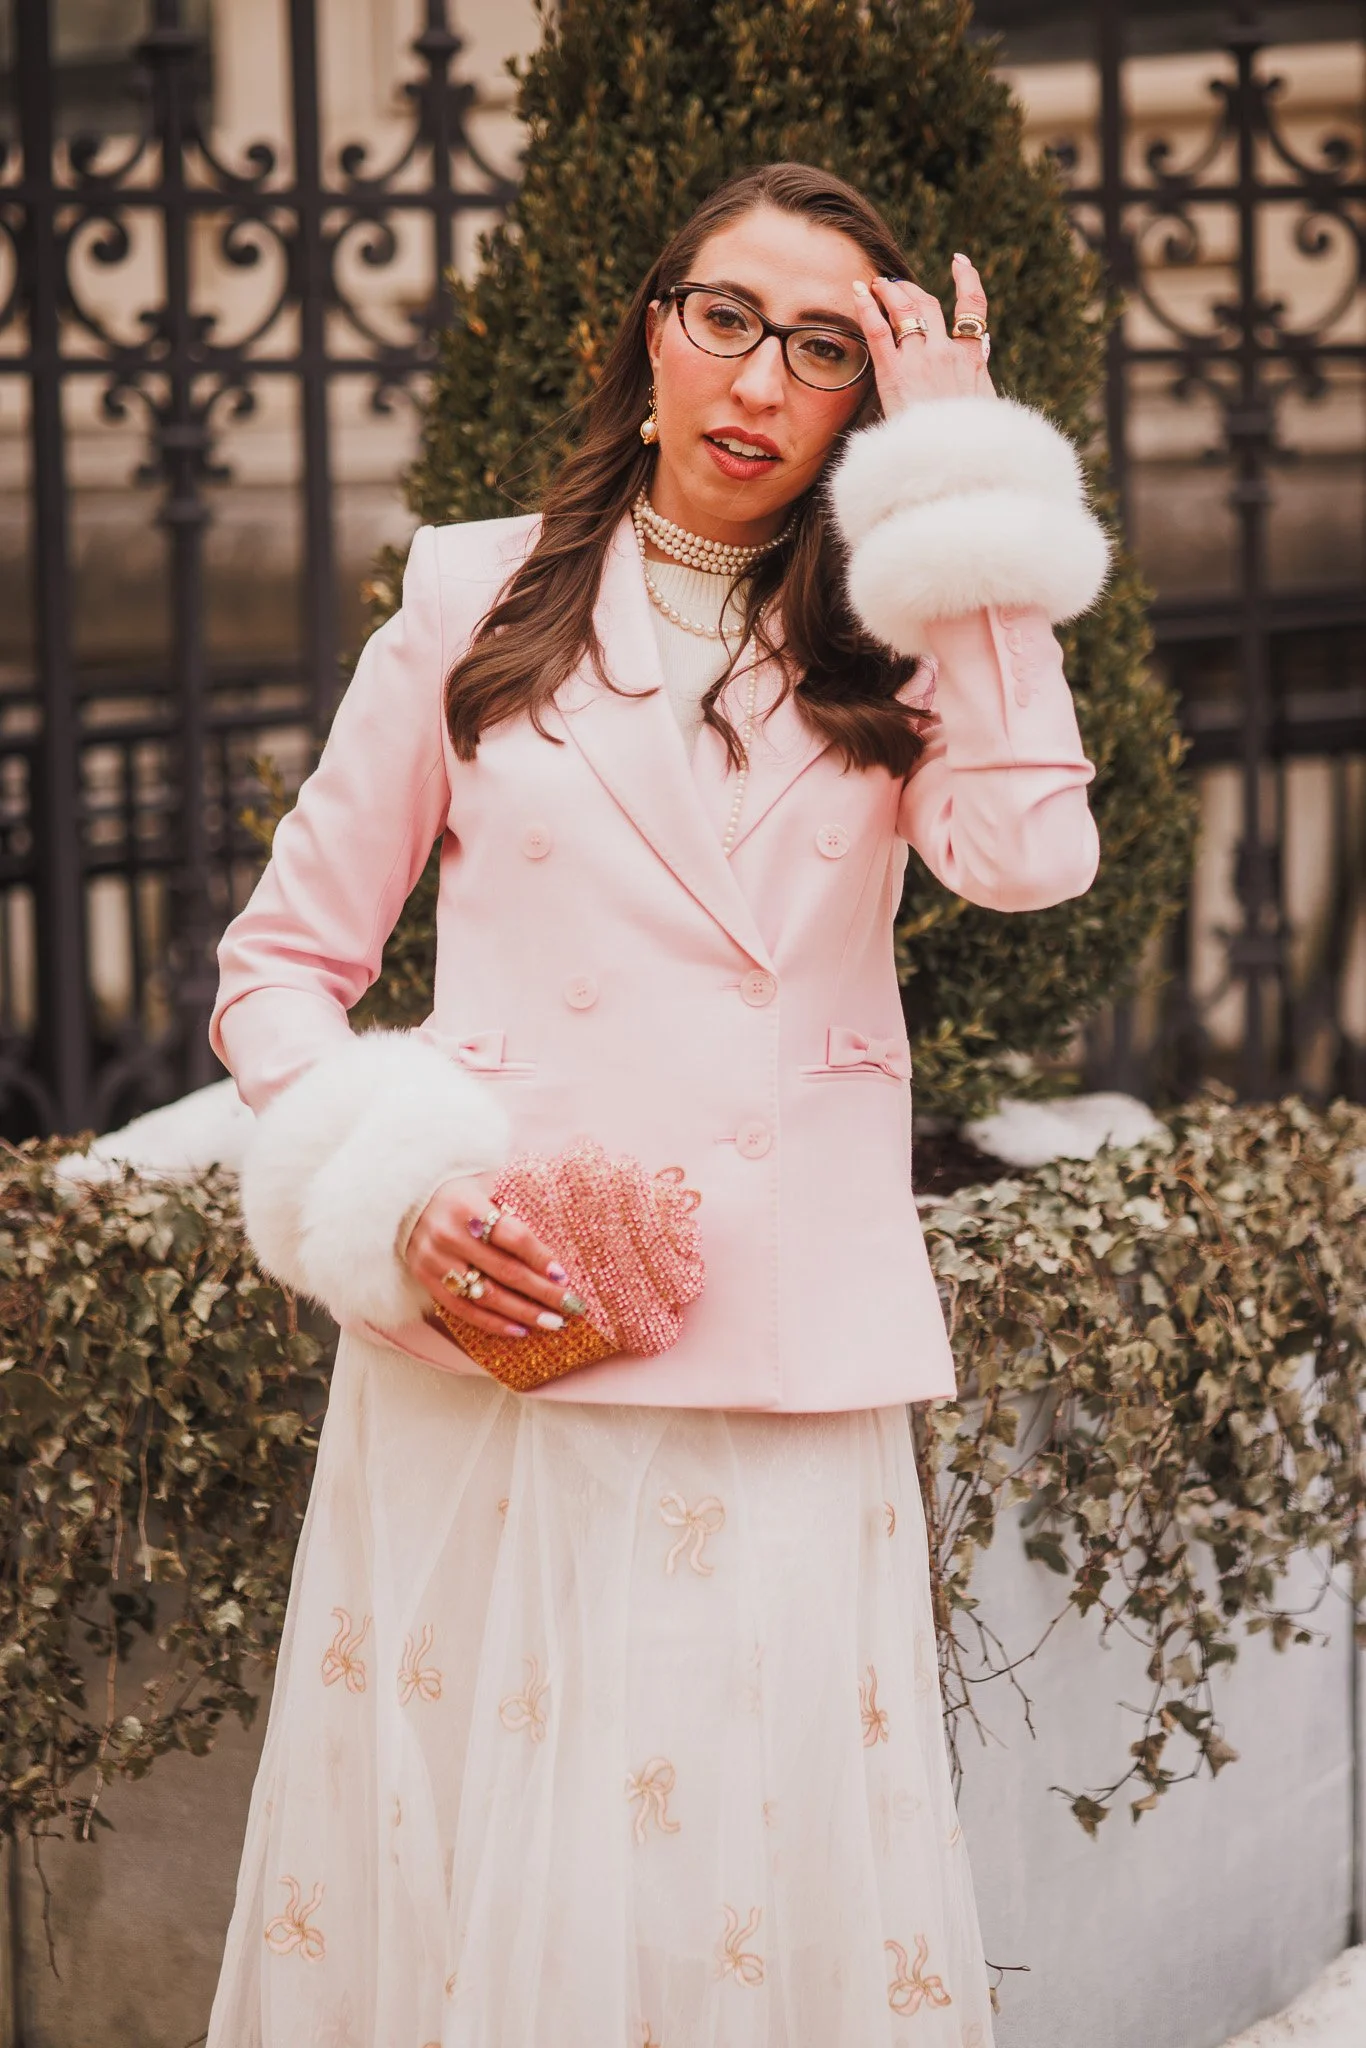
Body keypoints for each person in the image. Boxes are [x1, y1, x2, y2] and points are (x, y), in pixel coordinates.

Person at [205, 161, 1106, 2048]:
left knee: (736, 1898)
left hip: (776, 1342)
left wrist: (962, 510)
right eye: (724, 319)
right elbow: (281, 966)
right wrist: (393, 1191)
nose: (757, 381)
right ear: (651, 324)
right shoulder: (474, 589)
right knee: (491, 1874)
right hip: (506, 1322)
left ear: (867, 396)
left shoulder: (902, 635)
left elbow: (1028, 857)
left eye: (822, 349)